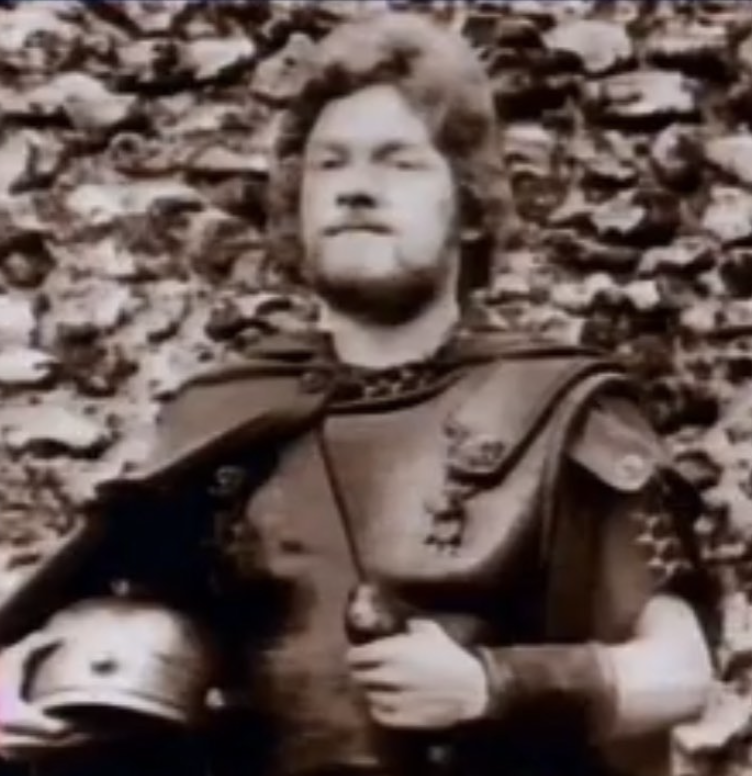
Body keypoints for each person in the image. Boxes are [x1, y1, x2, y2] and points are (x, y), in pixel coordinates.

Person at [0, 9, 715, 776]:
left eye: (399, 163)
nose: (356, 189)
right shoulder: (221, 419)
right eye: (330, 165)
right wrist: (32, 674)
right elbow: (118, 630)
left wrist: (493, 684)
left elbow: (679, 671)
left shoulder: (567, 409)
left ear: (470, 210)